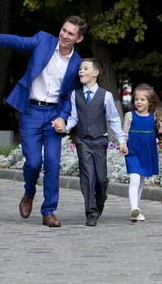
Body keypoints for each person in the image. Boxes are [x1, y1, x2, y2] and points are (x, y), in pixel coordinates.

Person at [0, 16, 86, 228]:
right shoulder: (44, 40)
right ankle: (29, 193)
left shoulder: (77, 63)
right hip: (31, 111)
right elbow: (20, 42)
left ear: (78, 39)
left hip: (53, 115)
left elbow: (69, 96)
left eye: (70, 33)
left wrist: (63, 117)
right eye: (63, 30)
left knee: (53, 163)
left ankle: (49, 211)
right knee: (33, 162)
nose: (64, 35)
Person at [60, 58, 128, 227]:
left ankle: (100, 200)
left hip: (100, 141)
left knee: (101, 179)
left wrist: (121, 140)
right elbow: (74, 117)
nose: (80, 71)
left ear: (95, 73)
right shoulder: (75, 95)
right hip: (83, 141)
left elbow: (113, 119)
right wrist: (65, 128)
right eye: (80, 69)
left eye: (85, 68)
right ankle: (91, 212)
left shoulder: (106, 95)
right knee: (87, 176)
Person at [121, 83, 162, 223]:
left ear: (150, 102)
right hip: (133, 151)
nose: (139, 102)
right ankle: (133, 208)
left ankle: (136, 210)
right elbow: (124, 134)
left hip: (147, 151)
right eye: (136, 99)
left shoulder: (155, 117)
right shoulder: (130, 116)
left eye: (142, 99)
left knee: (141, 181)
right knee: (134, 179)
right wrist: (123, 144)